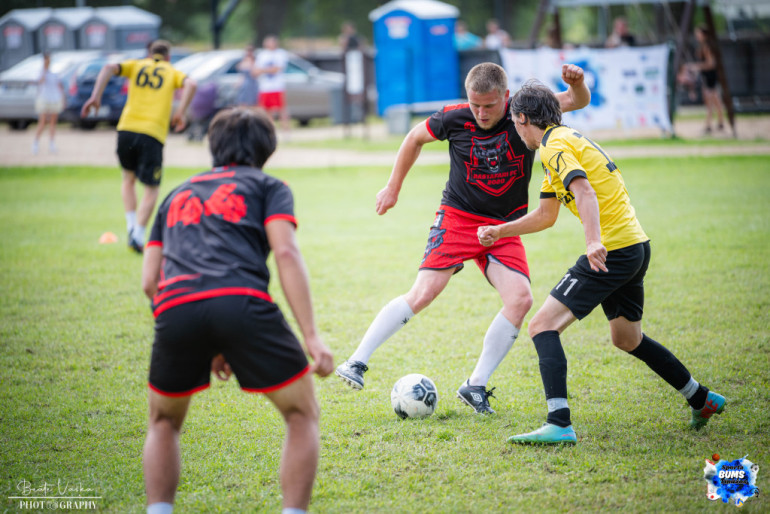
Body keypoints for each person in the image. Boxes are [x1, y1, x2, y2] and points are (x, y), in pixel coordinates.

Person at [477, 80, 725, 444]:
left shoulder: (553, 146)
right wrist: (501, 231)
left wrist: (594, 241)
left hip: (612, 250)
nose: (516, 130)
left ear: (524, 118)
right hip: (634, 246)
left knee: (542, 326)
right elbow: (546, 215)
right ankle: (701, 398)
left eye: (515, 122)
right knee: (627, 338)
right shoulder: (565, 140)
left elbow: (584, 190)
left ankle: (559, 422)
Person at [335, 63, 591, 414]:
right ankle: (356, 362)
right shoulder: (454, 117)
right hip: (458, 217)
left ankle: (475, 385)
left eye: (489, 105)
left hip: (503, 225)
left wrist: (577, 84)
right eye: (475, 106)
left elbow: (577, 100)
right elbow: (414, 138)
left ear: (506, 96)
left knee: (520, 299)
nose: (482, 113)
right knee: (424, 292)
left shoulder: (525, 111)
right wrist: (392, 187)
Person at [140, 107, 334, 514]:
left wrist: (205, 336)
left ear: (213, 146)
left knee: (163, 423)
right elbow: (284, 250)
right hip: (242, 301)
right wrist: (311, 335)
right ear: (268, 149)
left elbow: (149, 281)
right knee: (301, 413)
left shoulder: (176, 194)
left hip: (175, 307)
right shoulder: (268, 186)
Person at [81, 40, 197, 254]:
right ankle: (138, 234)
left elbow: (108, 67)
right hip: (152, 133)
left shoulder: (136, 65)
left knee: (128, 178)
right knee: (151, 189)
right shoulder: (171, 71)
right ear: (168, 56)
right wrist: (180, 112)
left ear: (149, 53)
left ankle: (131, 225)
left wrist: (95, 96)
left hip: (126, 128)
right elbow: (192, 84)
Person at [690, 25, 725, 134]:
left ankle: (708, 125)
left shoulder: (707, 46)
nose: (696, 35)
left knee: (710, 101)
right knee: (715, 100)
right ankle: (720, 123)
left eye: (698, 33)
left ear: (704, 35)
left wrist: (697, 66)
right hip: (709, 76)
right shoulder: (704, 46)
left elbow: (711, 63)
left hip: (710, 76)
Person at [255, 35, 290, 133]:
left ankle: (286, 130)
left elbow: (277, 69)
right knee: (266, 110)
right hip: (265, 87)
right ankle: (270, 130)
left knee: (281, 109)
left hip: (277, 87)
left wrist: (264, 70)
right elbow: (256, 70)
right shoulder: (262, 55)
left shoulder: (280, 54)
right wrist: (268, 70)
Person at [32, 52, 65, 155]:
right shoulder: (41, 72)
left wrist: (63, 99)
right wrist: (44, 69)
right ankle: (36, 142)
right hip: (44, 99)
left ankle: (51, 144)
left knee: (52, 123)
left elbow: (59, 87)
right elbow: (40, 81)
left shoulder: (54, 73)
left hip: (54, 99)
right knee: (42, 122)